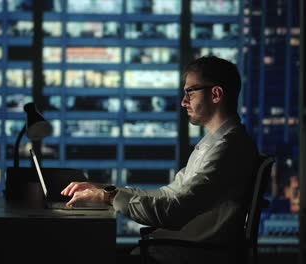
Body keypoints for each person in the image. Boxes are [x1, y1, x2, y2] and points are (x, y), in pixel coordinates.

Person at [61, 55, 259, 264]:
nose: (184, 102)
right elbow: (167, 195)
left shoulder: (227, 150)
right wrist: (107, 189)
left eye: (189, 92)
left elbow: (172, 212)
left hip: (181, 256)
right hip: (173, 252)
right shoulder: (216, 145)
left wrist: (108, 198)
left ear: (216, 94)